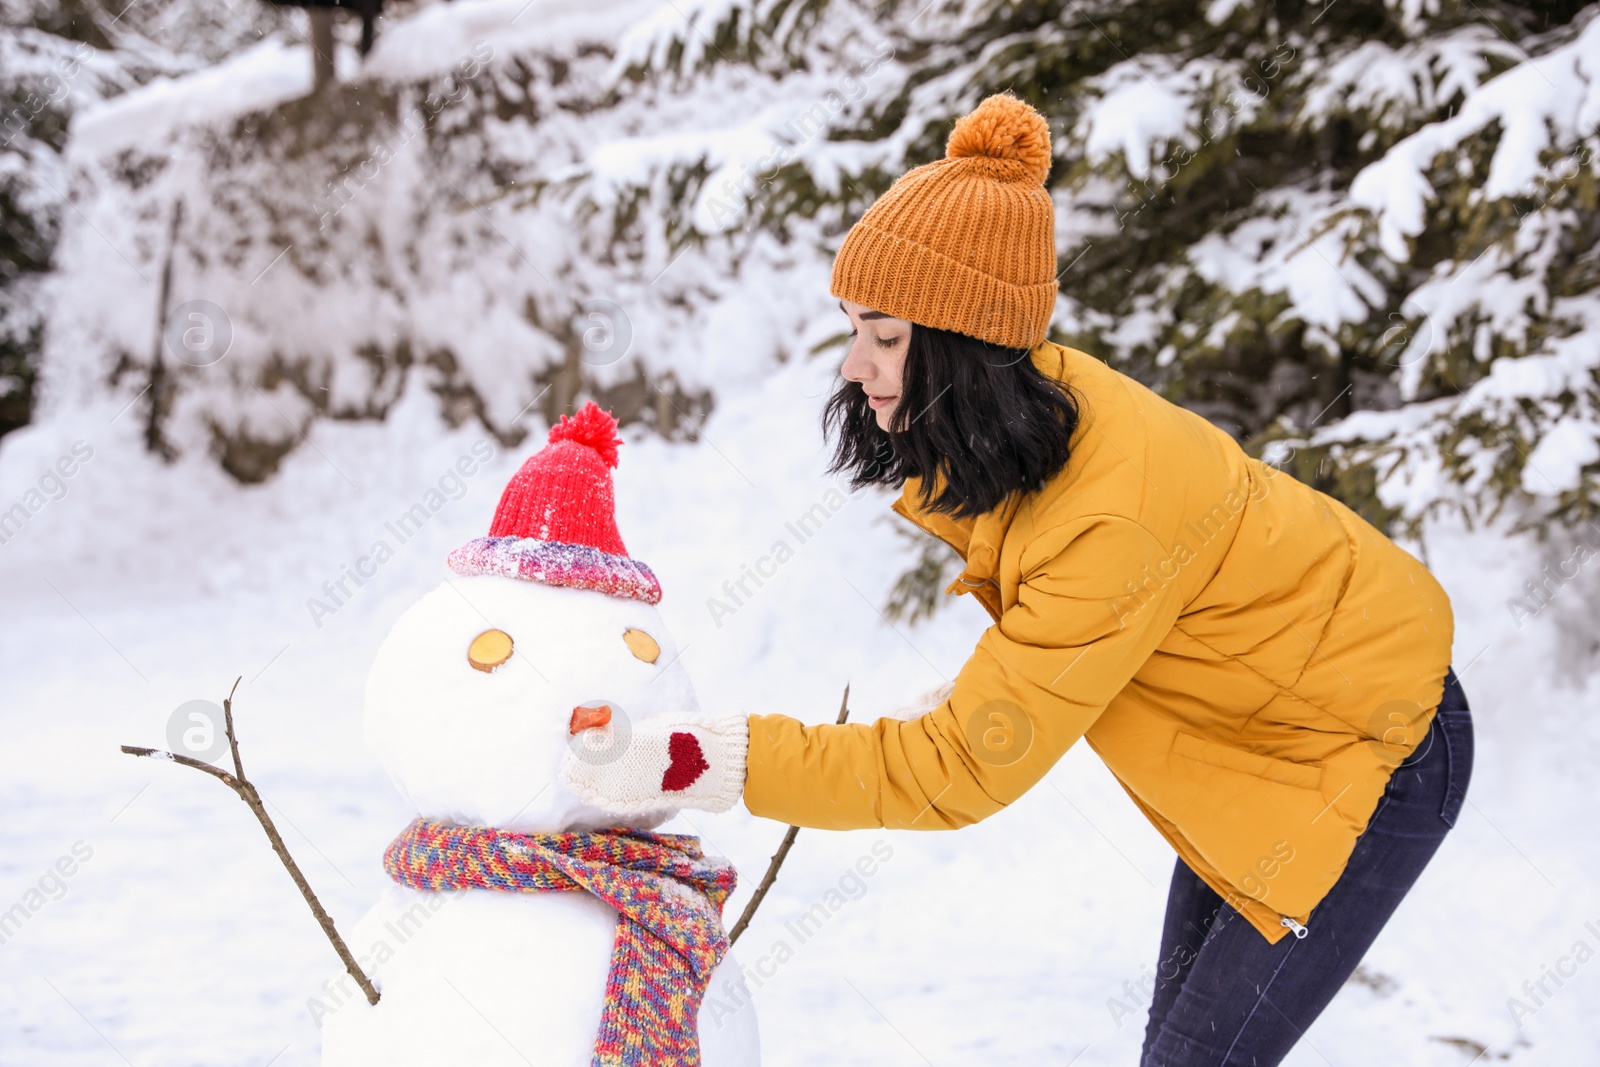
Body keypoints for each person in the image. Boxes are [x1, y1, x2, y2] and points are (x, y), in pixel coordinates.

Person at [560, 93, 1474, 1066]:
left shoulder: (1108, 512)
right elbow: (1088, 607)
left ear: (963, 344)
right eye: (852, 327)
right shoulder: (1037, 415)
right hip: (1260, 726)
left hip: (1369, 746)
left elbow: (954, 770)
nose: (850, 361)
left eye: (882, 333)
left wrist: (698, 759)